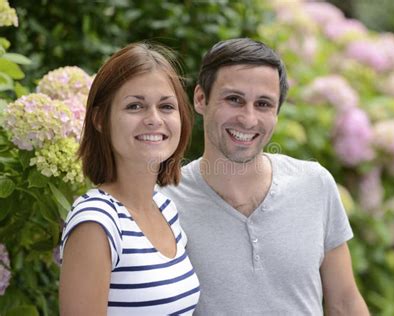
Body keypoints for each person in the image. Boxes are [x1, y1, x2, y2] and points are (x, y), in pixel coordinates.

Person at [161, 38, 370, 315]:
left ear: (277, 112)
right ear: (201, 99)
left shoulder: (315, 184)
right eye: (234, 99)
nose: (248, 119)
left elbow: (344, 302)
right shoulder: (163, 202)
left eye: (263, 104)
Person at [59, 42, 200, 315]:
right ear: (100, 119)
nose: (154, 119)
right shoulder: (96, 222)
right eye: (135, 106)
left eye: (166, 106)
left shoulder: (165, 209)